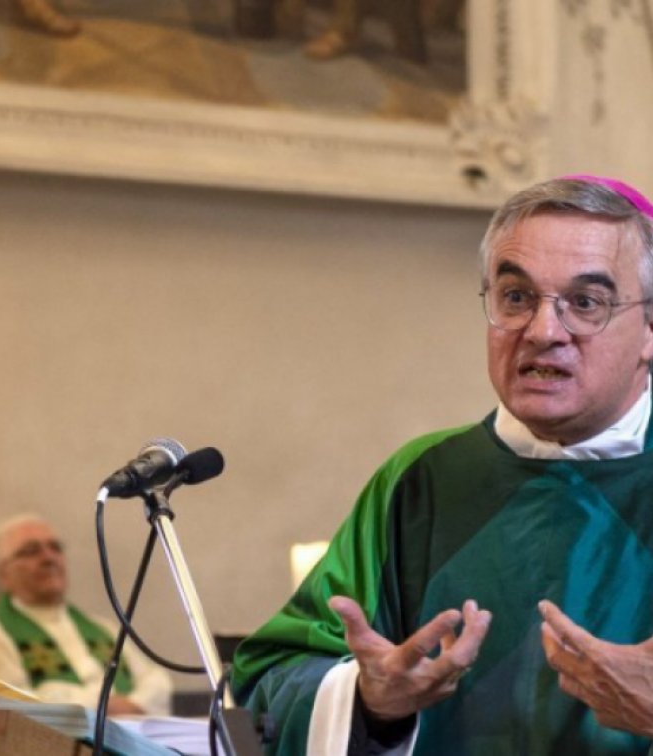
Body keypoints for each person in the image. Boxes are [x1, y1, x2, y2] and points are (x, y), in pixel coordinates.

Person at [232, 175, 653, 754]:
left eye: (585, 303)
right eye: (516, 297)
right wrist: (367, 700)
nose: (543, 331)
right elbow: (266, 685)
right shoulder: (421, 479)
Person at [0, 514, 174, 715]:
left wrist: (132, 704)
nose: (49, 558)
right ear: (3, 574)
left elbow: (157, 681)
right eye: (31, 551)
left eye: (55, 547)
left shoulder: (102, 628)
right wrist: (100, 706)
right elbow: (11, 704)